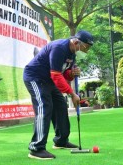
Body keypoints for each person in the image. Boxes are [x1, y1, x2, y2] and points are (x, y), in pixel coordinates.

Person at [23, 30, 94, 160]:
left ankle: (61, 140)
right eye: (86, 48)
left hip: (49, 79)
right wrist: (72, 93)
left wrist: (72, 74)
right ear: (77, 42)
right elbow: (56, 74)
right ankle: (36, 148)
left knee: (61, 106)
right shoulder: (59, 47)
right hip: (35, 77)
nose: (86, 51)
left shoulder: (72, 54)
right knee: (44, 107)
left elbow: (64, 73)